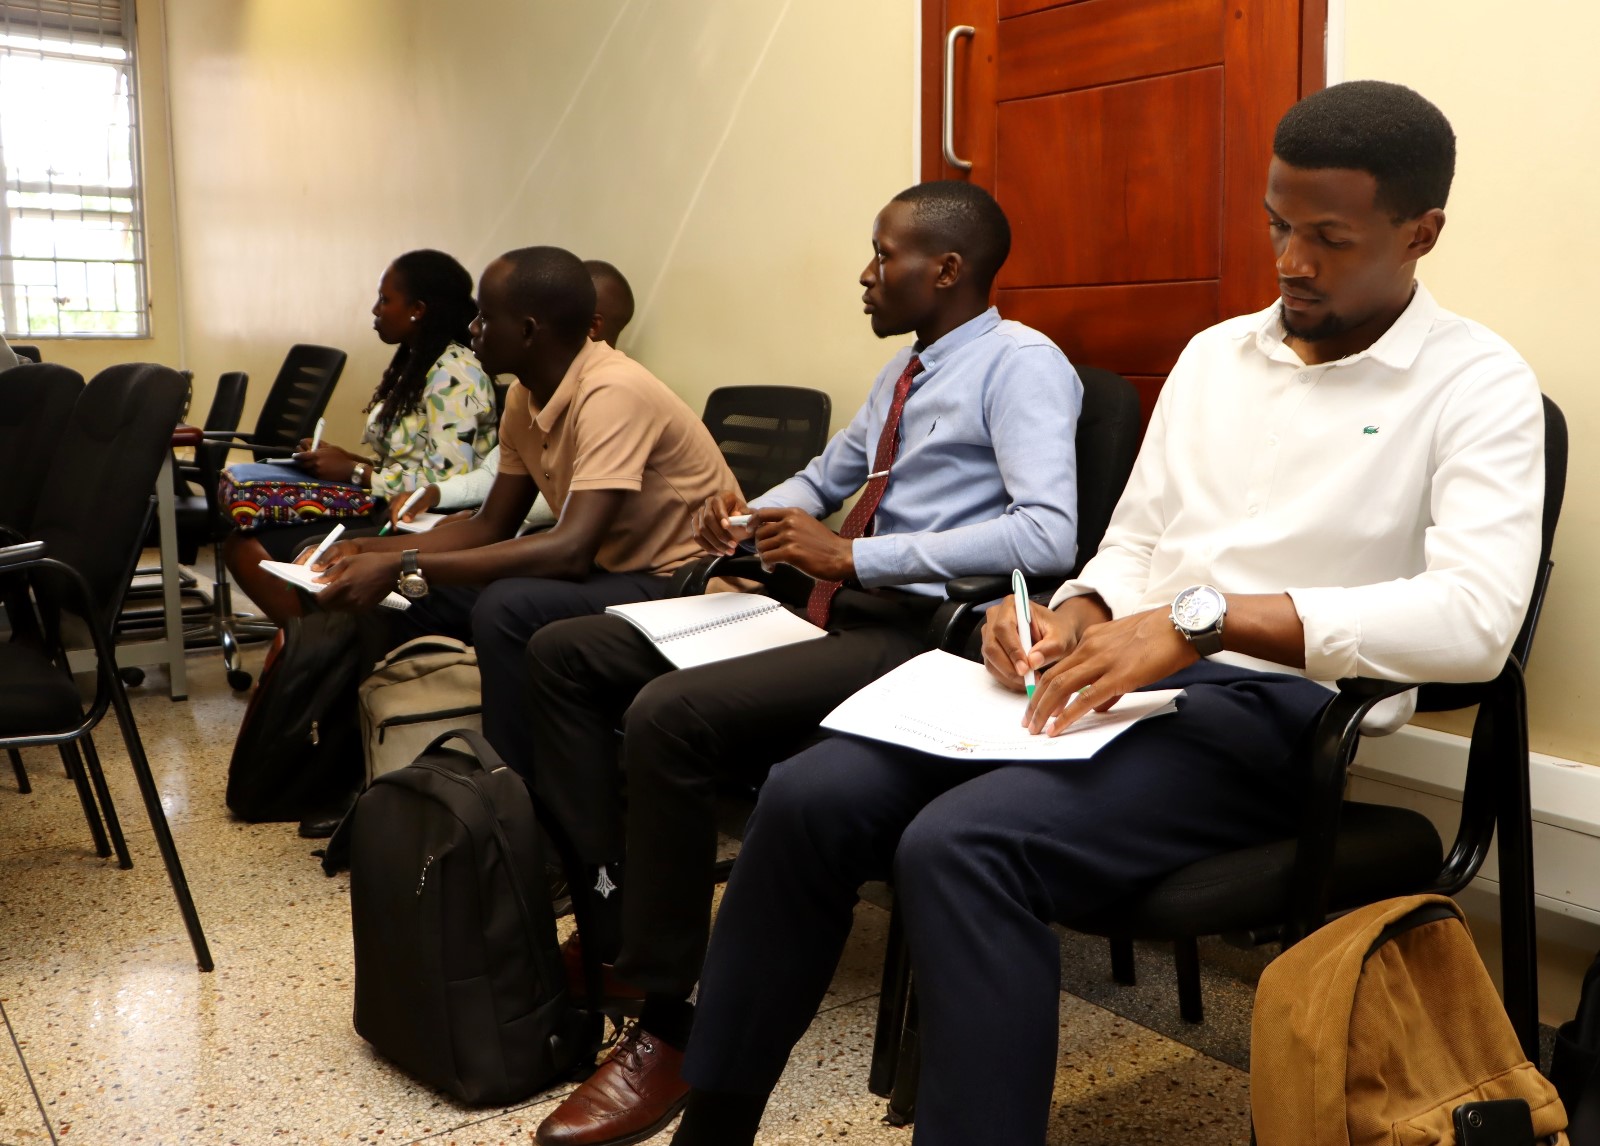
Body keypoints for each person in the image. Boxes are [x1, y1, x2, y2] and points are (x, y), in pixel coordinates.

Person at [666, 82, 1546, 1146]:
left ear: (1421, 233)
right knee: (810, 793)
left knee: (962, 846)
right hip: (1119, 680)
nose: (1290, 262)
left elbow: (1474, 622)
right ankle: (712, 1125)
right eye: (1276, 225)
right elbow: (1134, 546)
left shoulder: (1477, 384)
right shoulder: (1219, 355)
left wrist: (1201, 624)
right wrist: (1069, 613)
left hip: (1268, 721)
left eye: (1328, 237)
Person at [524, 181, 1083, 1146]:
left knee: (668, 715)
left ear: (945, 270)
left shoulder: (1021, 366)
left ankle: (666, 1023)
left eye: (883, 255)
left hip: (911, 633)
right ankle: (619, 926)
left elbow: (1049, 534)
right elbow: (831, 477)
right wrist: (747, 517)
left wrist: (853, 556)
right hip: (825, 607)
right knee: (564, 652)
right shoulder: (908, 371)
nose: (866, 276)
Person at [309, 246, 736, 802]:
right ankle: (360, 781)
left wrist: (404, 564)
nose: (473, 327)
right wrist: (369, 551)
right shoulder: (524, 397)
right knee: (412, 598)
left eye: (485, 316)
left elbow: (569, 551)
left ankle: (519, 803)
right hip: (618, 572)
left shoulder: (613, 391)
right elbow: (490, 525)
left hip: (686, 583)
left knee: (507, 605)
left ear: (529, 329)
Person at [224, 249, 497, 623]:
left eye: (385, 300)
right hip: (390, 507)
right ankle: (308, 650)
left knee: (257, 549)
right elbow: (410, 462)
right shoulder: (417, 362)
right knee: (245, 543)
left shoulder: (455, 374)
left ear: (417, 309)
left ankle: (307, 650)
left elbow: (443, 484)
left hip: (430, 523)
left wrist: (357, 474)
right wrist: (349, 460)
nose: (375, 310)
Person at [388, 260, 636, 537]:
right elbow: (494, 475)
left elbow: (565, 503)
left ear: (590, 325)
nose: (474, 328)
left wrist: (476, 516)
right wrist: (436, 493)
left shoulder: (613, 398)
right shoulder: (530, 391)